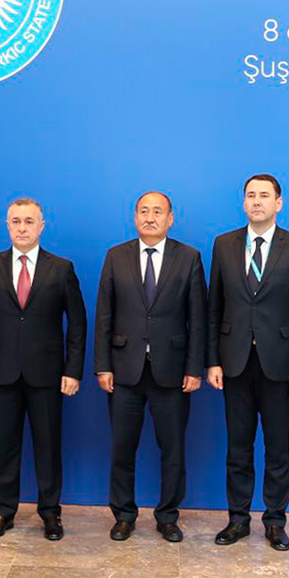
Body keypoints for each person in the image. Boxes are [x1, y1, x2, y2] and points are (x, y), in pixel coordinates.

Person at [206, 174, 289, 551]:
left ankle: (274, 521)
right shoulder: (224, 245)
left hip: (280, 366)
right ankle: (237, 520)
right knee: (237, 447)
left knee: (277, 446)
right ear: (243, 203)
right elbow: (213, 308)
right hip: (234, 363)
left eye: (264, 196)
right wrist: (212, 361)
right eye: (251, 196)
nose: (257, 202)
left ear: (279, 203)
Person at [0, 198, 87, 541]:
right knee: (4, 447)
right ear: (7, 225)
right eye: (16, 221)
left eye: (29, 221)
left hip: (48, 375)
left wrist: (73, 370)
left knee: (48, 447)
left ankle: (50, 514)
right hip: (1, 373)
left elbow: (77, 324)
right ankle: (4, 512)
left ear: (42, 226)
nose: (22, 227)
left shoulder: (61, 268)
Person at [94, 191, 206, 543]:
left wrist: (195, 368)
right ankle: (124, 515)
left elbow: (197, 320)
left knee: (172, 449)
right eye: (144, 211)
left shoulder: (188, 258)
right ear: (134, 216)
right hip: (124, 370)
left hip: (172, 372)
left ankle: (168, 516)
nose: (150, 217)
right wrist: (102, 366)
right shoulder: (116, 256)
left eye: (158, 212)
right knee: (121, 448)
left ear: (171, 218)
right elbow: (104, 315)